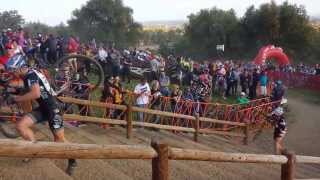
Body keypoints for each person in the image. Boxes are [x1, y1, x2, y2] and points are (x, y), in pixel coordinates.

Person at [5, 57, 77, 175]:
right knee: (21, 125)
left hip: (54, 109)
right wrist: (13, 91)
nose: (13, 73)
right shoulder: (30, 72)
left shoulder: (30, 75)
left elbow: (36, 93)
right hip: (44, 108)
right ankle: (33, 151)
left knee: (60, 140)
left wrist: (16, 98)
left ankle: (73, 160)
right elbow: (28, 89)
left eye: (14, 70)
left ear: (20, 67)